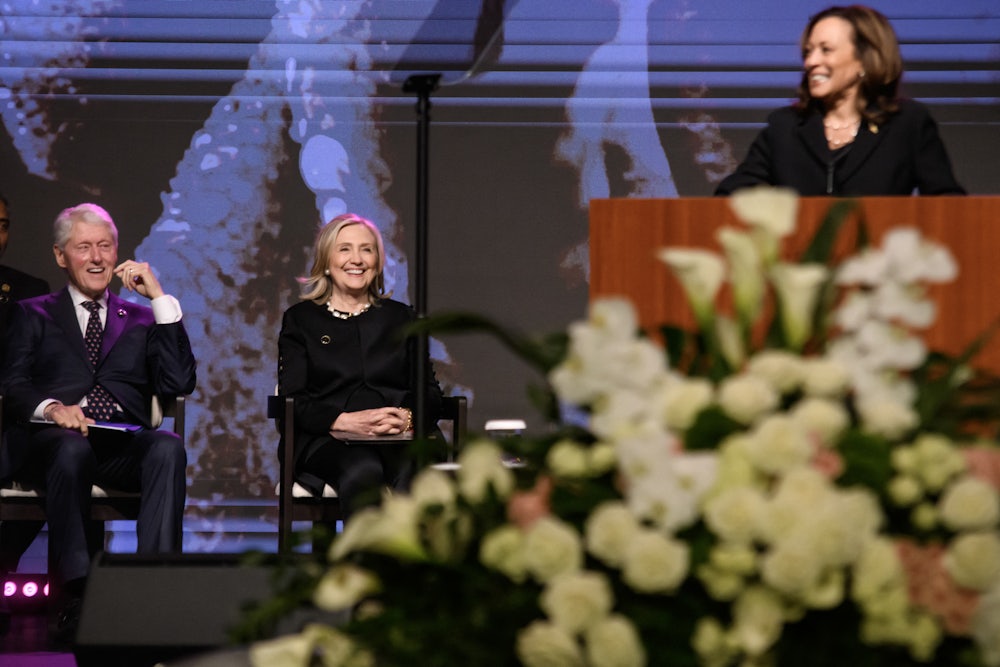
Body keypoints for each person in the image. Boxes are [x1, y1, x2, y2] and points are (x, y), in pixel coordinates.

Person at [0, 202, 196, 643]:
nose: (96, 257)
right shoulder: (34, 313)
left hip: (119, 445)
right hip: (52, 443)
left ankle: (155, 586)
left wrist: (160, 299)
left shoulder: (144, 320)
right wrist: (52, 409)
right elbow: (12, 384)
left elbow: (180, 380)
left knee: (167, 446)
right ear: (59, 256)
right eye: (83, 247)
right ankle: (79, 596)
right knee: (71, 448)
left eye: (105, 246)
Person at [277, 213, 443, 520]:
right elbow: (294, 401)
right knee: (363, 469)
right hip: (330, 439)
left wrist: (406, 419)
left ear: (378, 262)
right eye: (345, 249)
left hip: (401, 437)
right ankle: (365, 563)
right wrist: (344, 421)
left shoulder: (403, 318)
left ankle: (413, 564)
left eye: (367, 249)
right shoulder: (301, 320)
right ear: (326, 261)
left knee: (416, 472)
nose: (357, 259)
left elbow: (429, 392)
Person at [715, 5, 965, 196]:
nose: (811, 62)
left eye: (826, 50)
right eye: (808, 51)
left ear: (864, 60)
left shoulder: (907, 123)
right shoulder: (785, 126)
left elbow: (948, 204)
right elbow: (731, 195)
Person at [0, 191, 51, 632]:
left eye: (2, 224)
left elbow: (38, 373)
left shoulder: (29, 293)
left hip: (12, 424)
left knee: (64, 461)